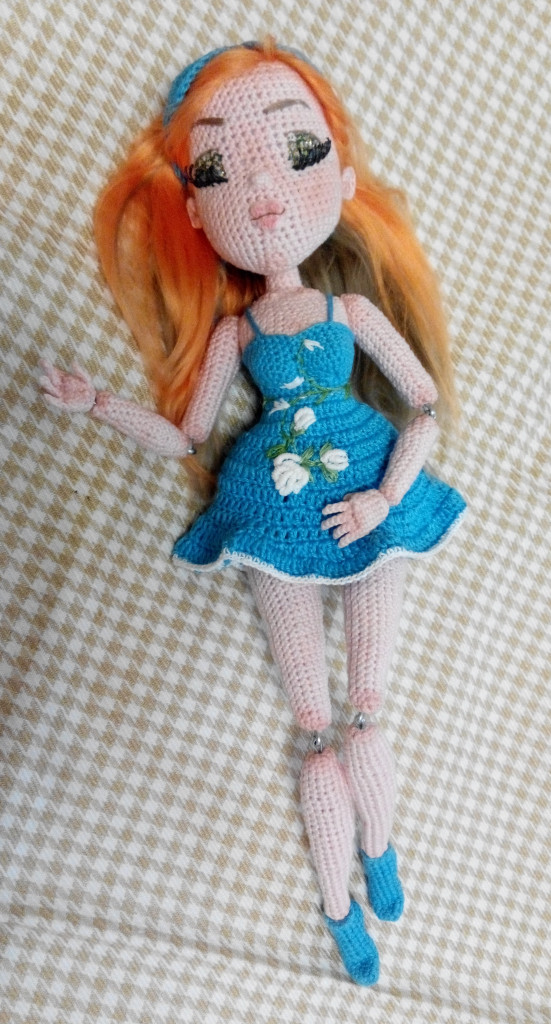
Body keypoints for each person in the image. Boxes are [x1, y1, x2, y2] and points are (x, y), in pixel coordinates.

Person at [40, 39, 466, 985]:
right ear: (196, 210)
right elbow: (186, 435)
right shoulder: (234, 331)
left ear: (342, 178)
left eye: (300, 153)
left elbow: (424, 406)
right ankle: (335, 904)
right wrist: (98, 404)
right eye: (221, 171)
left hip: (367, 491)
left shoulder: (351, 315)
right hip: (269, 506)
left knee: (366, 709)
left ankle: (380, 847)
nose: (266, 195)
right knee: (314, 724)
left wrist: (385, 495)